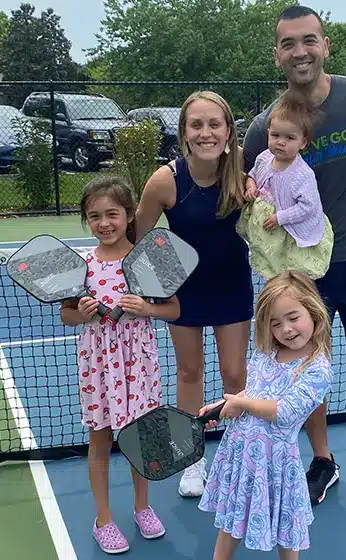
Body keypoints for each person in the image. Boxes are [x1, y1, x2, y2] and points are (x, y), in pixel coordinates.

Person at [241, 5, 346, 518]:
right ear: (277, 54)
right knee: (305, 373)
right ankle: (321, 458)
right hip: (298, 276)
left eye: (309, 40)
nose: (300, 51)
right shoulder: (264, 126)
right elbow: (246, 181)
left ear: (326, 45)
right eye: (289, 43)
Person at [135, 90, 254, 498]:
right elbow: (137, 237)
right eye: (197, 124)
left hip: (232, 284)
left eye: (214, 124)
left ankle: (239, 455)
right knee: (189, 373)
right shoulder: (165, 181)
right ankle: (192, 459)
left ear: (227, 131)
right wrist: (153, 284)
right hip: (183, 292)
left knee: (235, 374)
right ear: (184, 132)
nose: (206, 133)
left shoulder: (243, 174)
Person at [60, 175, 182, 554]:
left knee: (141, 439)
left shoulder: (147, 262)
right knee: (101, 438)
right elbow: (66, 315)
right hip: (98, 364)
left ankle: (142, 508)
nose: (104, 223)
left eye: (112, 213)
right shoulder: (81, 266)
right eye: (94, 216)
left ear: (129, 214)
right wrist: (81, 314)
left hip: (139, 362)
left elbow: (175, 310)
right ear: (86, 220)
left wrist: (147, 308)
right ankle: (103, 519)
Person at [197, 270, 333, 560]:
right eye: (275, 324)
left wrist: (242, 403)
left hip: (276, 464)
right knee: (231, 523)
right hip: (242, 453)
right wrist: (222, 408)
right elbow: (253, 393)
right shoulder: (265, 354)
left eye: (293, 318)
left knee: (286, 530)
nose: (286, 329)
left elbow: (284, 412)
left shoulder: (317, 369)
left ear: (313, 311)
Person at [237, 88, 334, 280]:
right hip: (267, 232)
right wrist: (250, 187)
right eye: (275, 135)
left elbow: (308, 206)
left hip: (288, 234)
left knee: (292, 279)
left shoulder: (302, 174)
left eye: (289, 138)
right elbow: (252, 175)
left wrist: (280, 217)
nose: (280, 142)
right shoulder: (264, 158)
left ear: (303, 142)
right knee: (272, 277)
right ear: (268, 134)